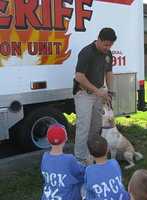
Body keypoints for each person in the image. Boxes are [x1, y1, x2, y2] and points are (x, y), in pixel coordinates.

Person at [73, 27, 117, 163]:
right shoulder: (86, 52)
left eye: (110, 45)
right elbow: (79, 77)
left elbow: (108, 73)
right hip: (83, 94)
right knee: (83, 126)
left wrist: (110, 91)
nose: (107, 47)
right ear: (99, 39)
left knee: (96, 126)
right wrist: (98, 91)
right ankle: (80, 159)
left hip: (98, 93)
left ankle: (91, 155)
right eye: (106, 44)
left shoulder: (108, 54)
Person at [41, 124, 85, 200]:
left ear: (48, 140)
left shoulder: (45, 157)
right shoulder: (69, 159)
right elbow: (82, 173)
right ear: (66, 139)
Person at [84, 134, 130, 200]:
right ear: (108, 149)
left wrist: (90, 166)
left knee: (83, 189)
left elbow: (88, 188)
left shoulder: (89, 170)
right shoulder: (114, 162)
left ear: (90, 154)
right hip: (122, 197)